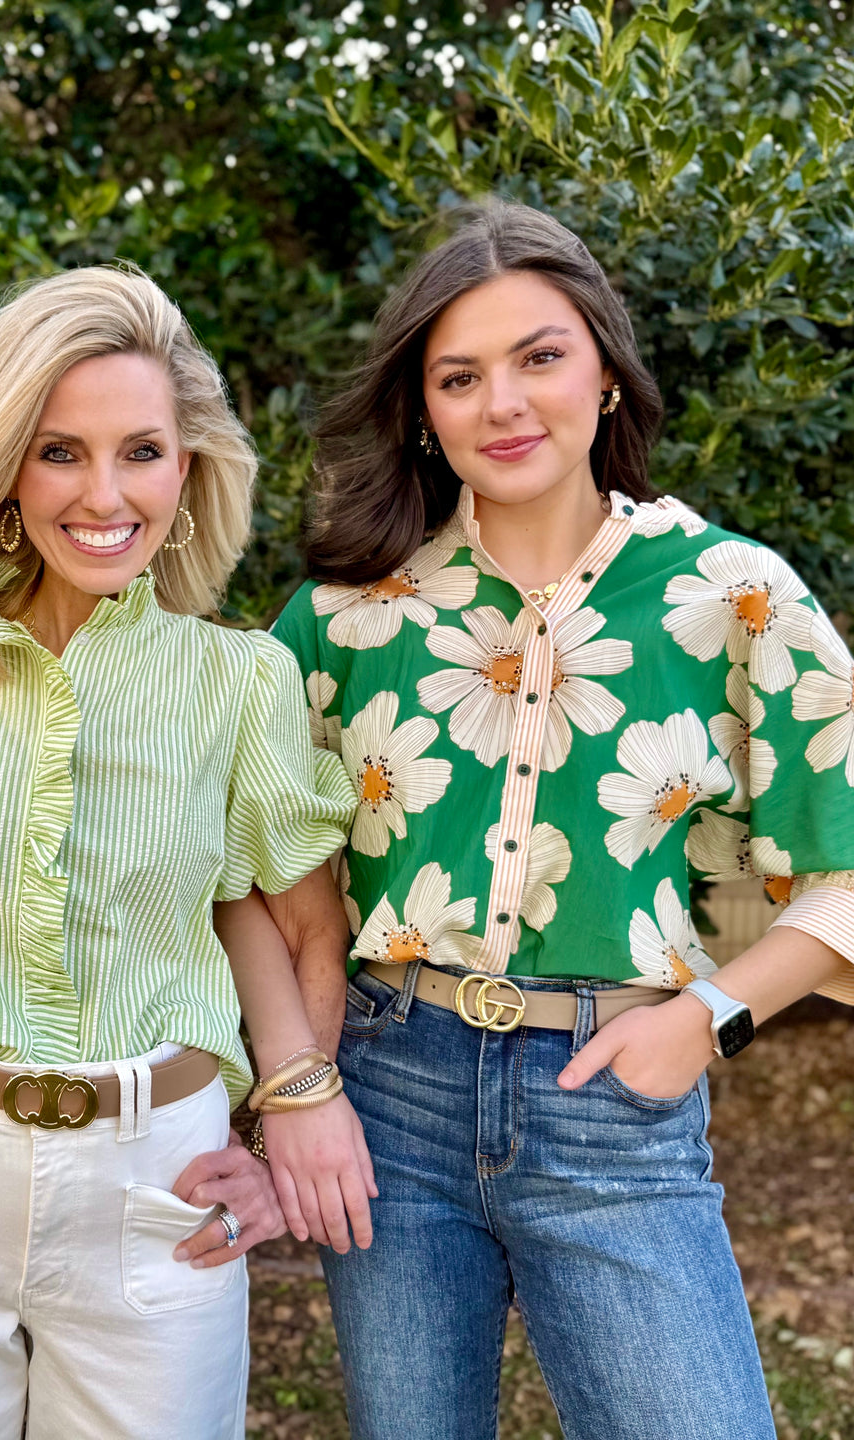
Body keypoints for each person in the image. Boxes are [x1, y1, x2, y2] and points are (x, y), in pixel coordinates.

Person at [270, 198, 854, 1440]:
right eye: (460, 376)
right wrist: (295, 1085)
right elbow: (264, 883)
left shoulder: (732, 598)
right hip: (391, 1098)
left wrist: (711, 1016)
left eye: (540, 357)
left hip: (617, 1101)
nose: (504, 404)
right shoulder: (342, 621)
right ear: (423, 413)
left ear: (603, 370)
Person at [0, 264, 373, 1440]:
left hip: (161, 1193)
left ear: (188, 468)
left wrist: (272, 1136)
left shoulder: (236, 681)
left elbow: (308, 928)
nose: (105, 494)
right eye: (60, 452)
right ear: (2, 467)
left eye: (141, 452)